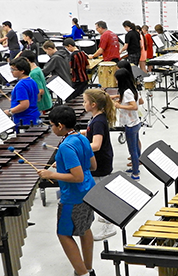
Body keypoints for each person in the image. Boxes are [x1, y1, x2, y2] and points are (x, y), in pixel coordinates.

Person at [37, 105, 96, 276]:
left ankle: (82, 273)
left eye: (52, 125)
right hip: (89, 191)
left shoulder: (65, 146)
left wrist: (52, 173)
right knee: (85, 229)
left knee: (63, 234)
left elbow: (76, 177)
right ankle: (89, 268)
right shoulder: (82, 137)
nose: (52, 128)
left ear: (60, 126)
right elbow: (92, 165)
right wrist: (62, 164)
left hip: (73, 197)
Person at [82, 88, 117, 241]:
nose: (83, 104)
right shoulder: (97, 118)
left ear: (93, 104)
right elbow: (91, 134)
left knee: (101, 195)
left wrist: (78, 147)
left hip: (100, 162)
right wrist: (79, 135)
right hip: (101, 160)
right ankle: (106, 217)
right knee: (100, 191)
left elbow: (96, 145)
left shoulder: (98, 121)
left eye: (85, 102)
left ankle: (110, 226)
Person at [114, 68, 141, 180]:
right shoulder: (130, 89)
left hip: (131, 124)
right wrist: (115, 97)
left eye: (116, 80)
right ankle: (136, 168)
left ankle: (135, 174)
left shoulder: (127, 92)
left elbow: (134, 106)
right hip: (135, 123)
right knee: (135, 147)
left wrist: (120, 106)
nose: (115, 82)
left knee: (132, 150)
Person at [4, 57, 40, 126]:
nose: (11, 71)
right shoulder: (32, 81)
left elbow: (24, 105)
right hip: (34, 116)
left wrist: (9, 112)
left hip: (24, 120)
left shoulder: (21, 85)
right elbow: (38, 97)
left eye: (13, 69)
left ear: (22, 71)